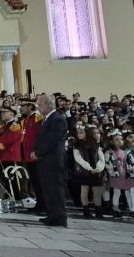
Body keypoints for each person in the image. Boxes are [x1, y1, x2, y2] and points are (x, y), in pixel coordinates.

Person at [31, 94, 68, 227]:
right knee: (48, 189)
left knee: (55, 190)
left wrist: (38, 152)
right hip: (46, 161)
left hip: (53, 161)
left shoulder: (57, 119)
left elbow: (52, 140)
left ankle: (59, 217)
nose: (38, 107)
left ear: (48, 105)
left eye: (40, 104)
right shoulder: (48, 119)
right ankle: (52, 215)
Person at [73, 126, 106, 219]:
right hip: (84, 171)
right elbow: (78, 159)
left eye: (81, 132)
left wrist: (98, 168)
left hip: (96, 171)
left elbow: (101, 158)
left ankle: (98, 211)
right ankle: (86, 210)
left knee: (97, 192)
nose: (79, 134)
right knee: (84, 190)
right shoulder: (77, 146)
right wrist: (89, 168)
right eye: (78, 133)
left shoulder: (96, 144)